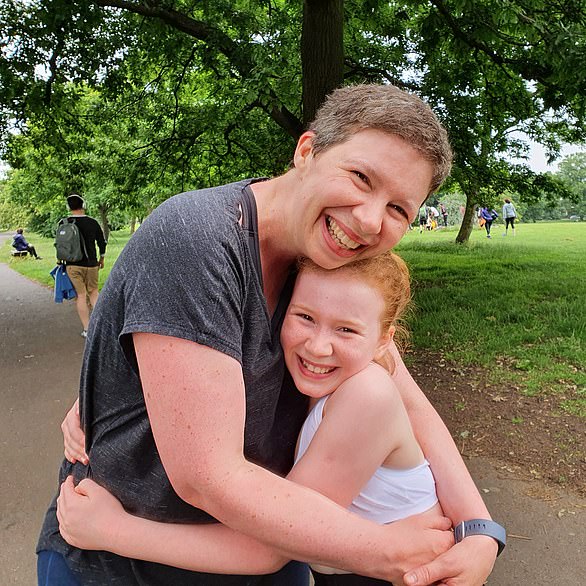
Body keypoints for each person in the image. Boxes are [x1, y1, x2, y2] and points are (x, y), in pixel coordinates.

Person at [39, 84, 500, 586]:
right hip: (127, 566)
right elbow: (207, 478)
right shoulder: (200, 242)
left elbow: (404, 396)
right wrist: (382, 551)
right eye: (361, 177)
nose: (370, 219)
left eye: (399, 210)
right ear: (307, 151)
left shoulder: (336, 261)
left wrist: (478, 529)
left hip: (274, 549)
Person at [58, 251, 500, 586]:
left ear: (385, 340)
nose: (318, 346)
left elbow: (269, 544)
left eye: (346, 330)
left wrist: (113, 530)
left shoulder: (366, 393)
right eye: (305, 317)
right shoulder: (317, 374)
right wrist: (111, 398)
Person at [60, 194, 107, 338]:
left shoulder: (63, 223)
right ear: (84, 205)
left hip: (72, 266)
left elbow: (60, 245)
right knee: (93, 292)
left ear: (69, 207)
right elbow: (101, 242)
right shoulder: (92, 222)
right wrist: (102, 257)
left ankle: (87, 329)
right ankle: (102, 326)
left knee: (81, 296)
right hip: (91, 264)